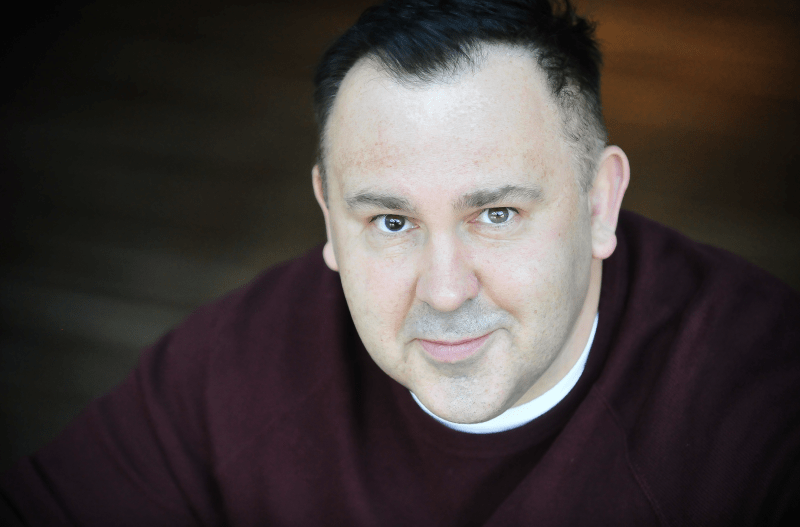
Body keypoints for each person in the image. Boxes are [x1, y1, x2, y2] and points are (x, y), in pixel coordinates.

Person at [2, 0, 798, 525]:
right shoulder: (237, 366)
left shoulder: (763, 400)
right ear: (328, 216)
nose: (444, 291)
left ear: (600, 203)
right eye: (391, 220)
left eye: (496, 214)